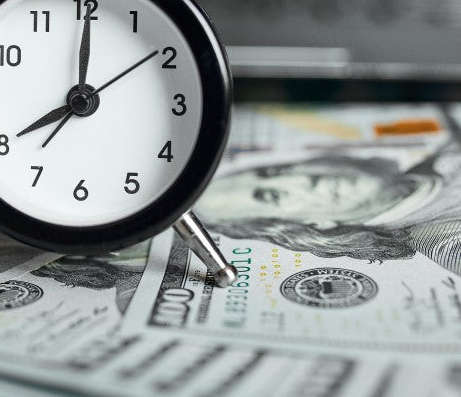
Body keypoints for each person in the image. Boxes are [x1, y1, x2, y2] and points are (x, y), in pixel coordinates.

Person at [195, 108, 461, 275]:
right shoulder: (445, 240)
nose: (301, 180)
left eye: (274, 172)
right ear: (314, 225)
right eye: (275, 195)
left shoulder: (441, 149)